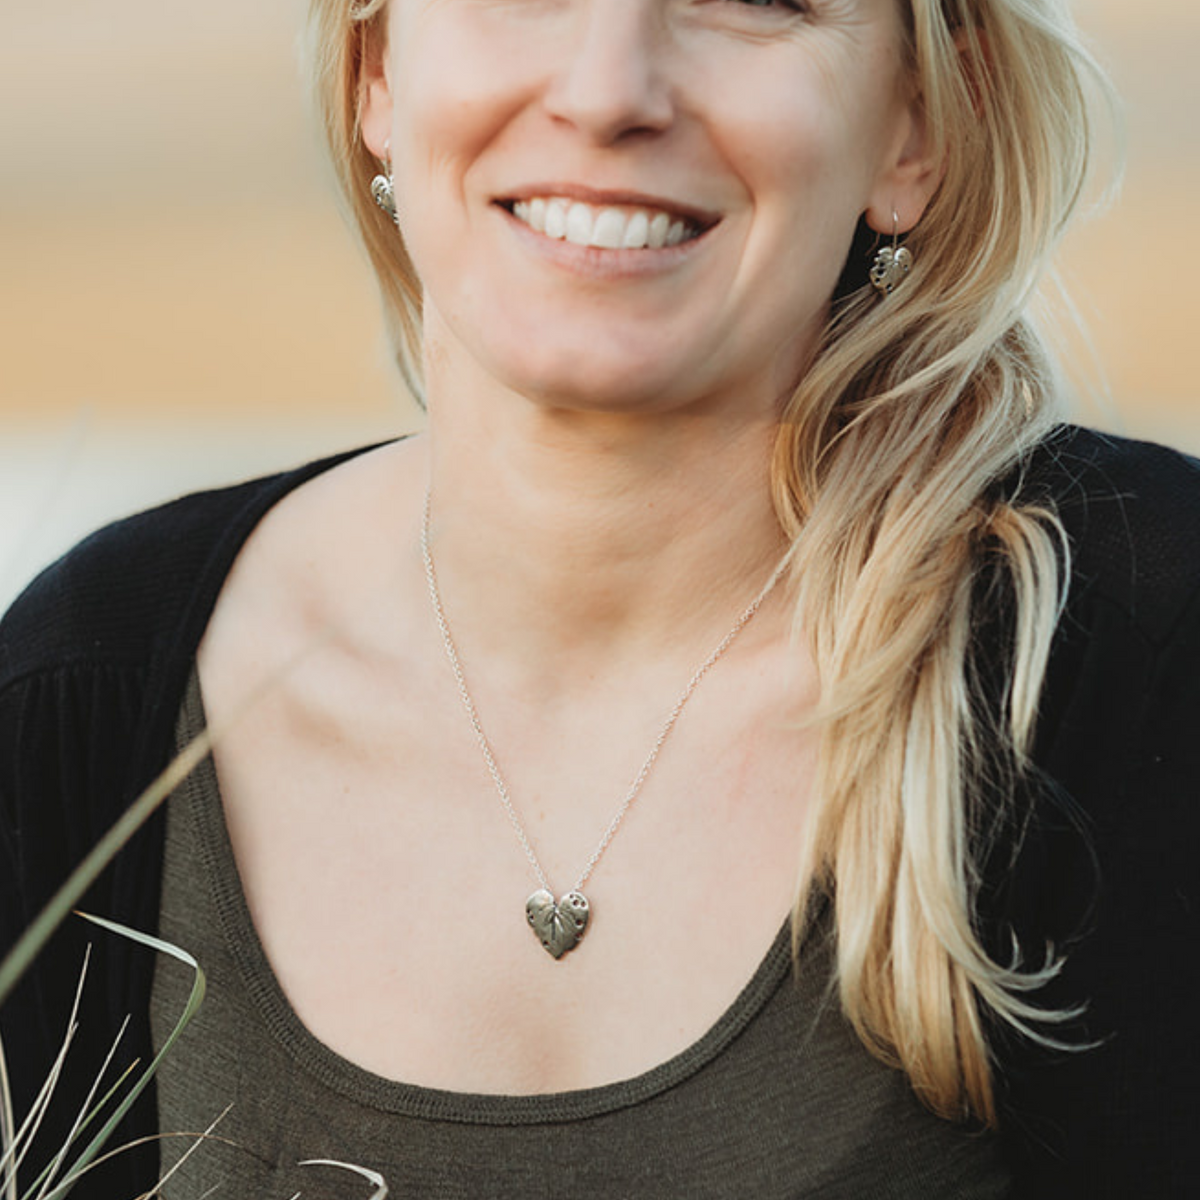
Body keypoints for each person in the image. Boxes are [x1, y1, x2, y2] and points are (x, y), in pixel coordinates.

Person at [1, 0, 1197, 1196]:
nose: (609, 86)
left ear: (920, 124)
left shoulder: (1146, 654)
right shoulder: (83, 701)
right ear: (377, 72)